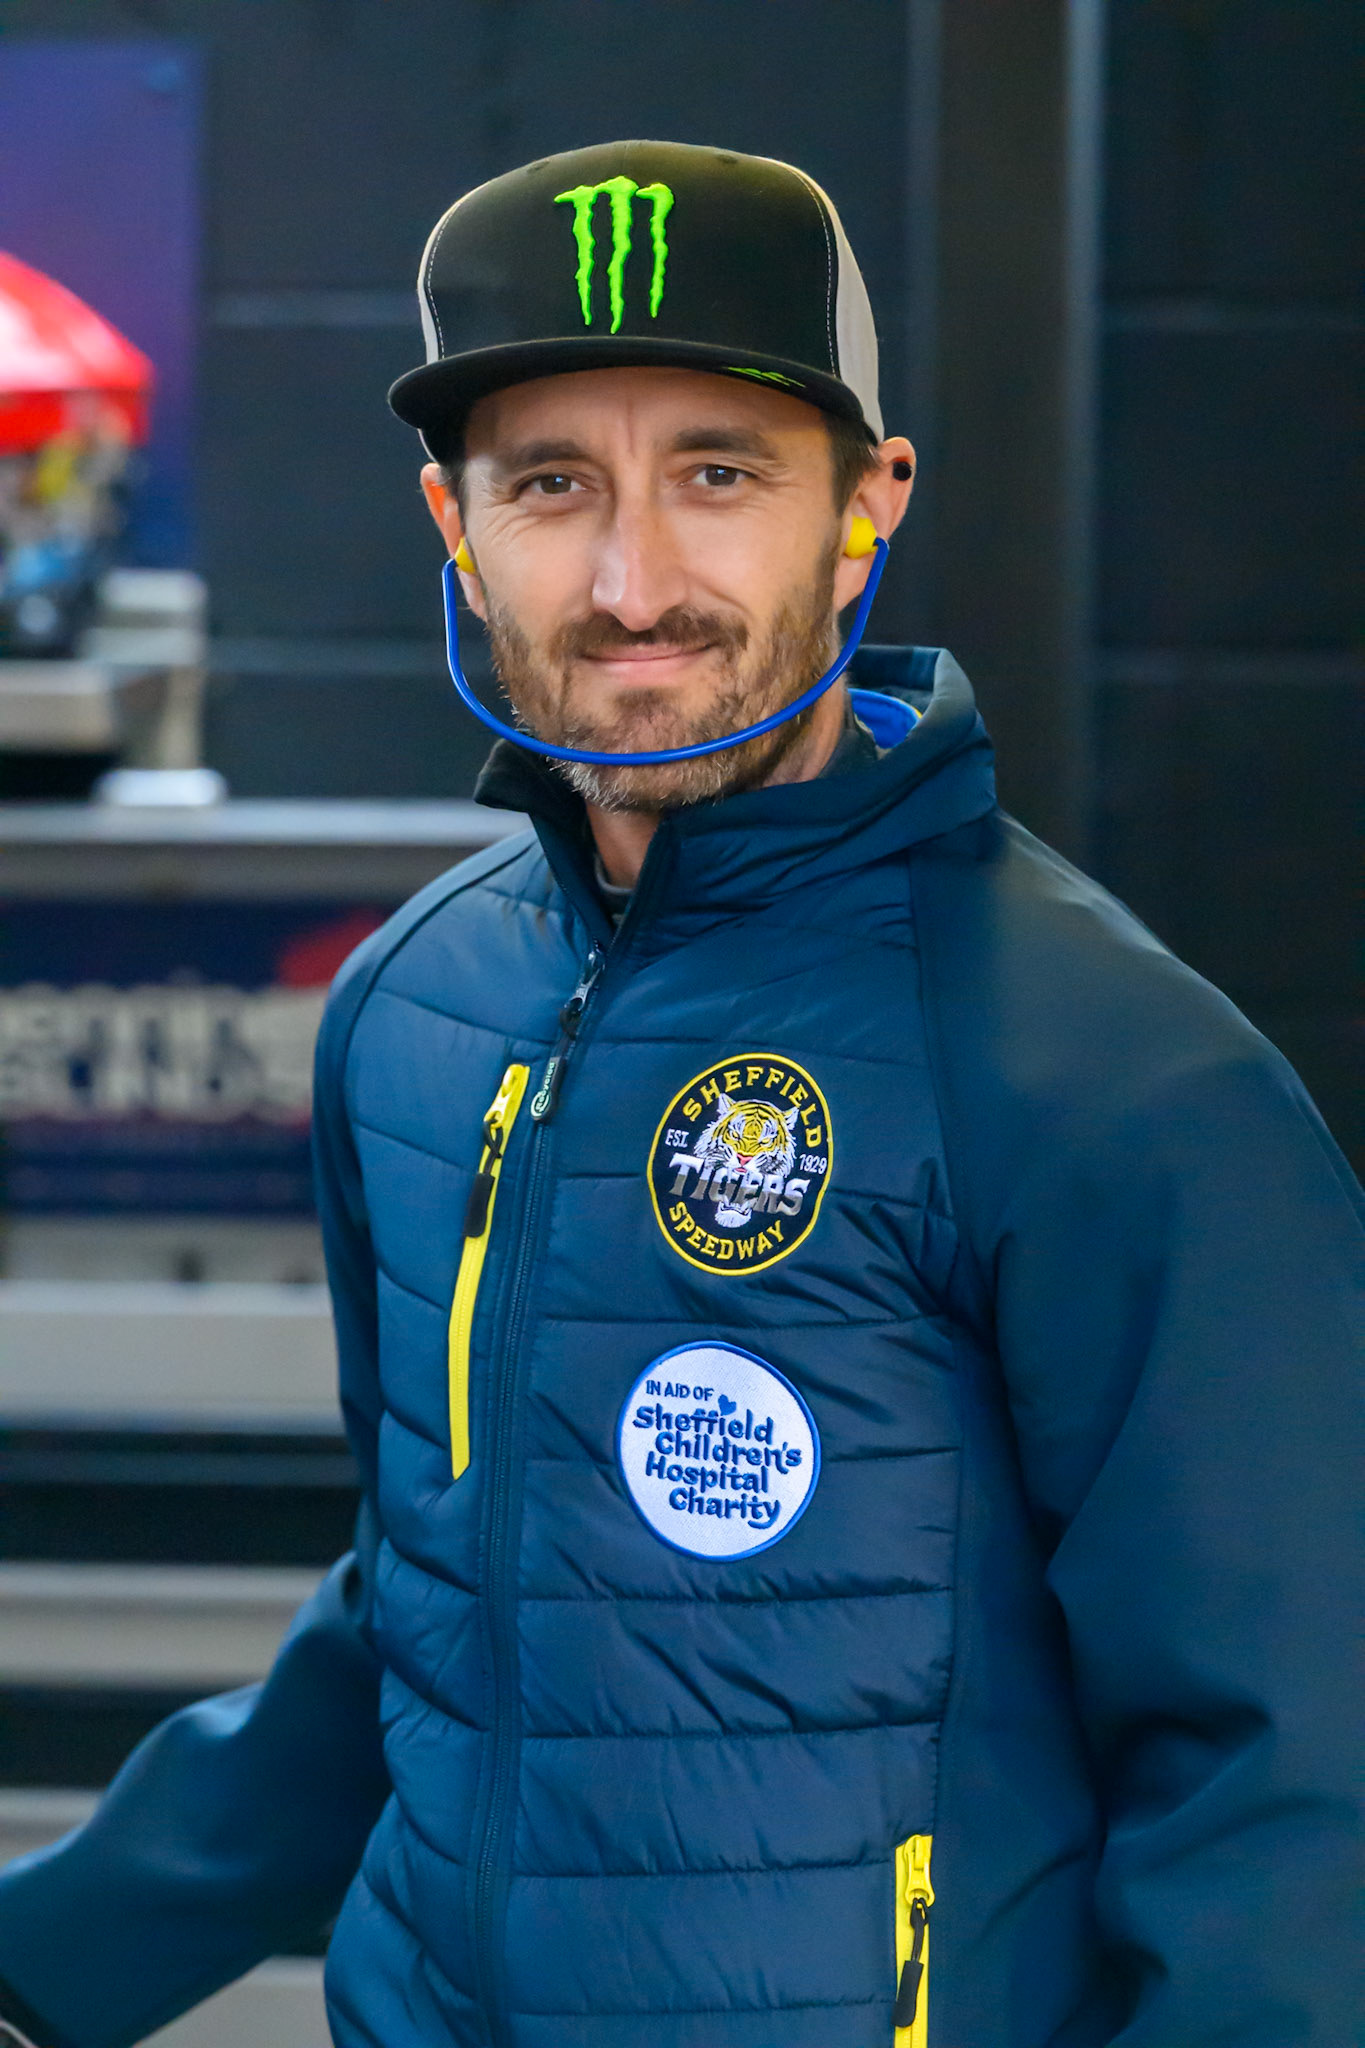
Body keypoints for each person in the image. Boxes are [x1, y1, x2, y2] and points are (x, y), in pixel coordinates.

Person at [0, 140, 1359, 2048]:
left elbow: (1291, 1810)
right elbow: (427, 1600)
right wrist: (44, 1964)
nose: (635, 580)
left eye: (719, 474)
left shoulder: (1115, 1079)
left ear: (865, 505)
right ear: (450, 524)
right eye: (552, 484)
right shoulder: (414, 1000)